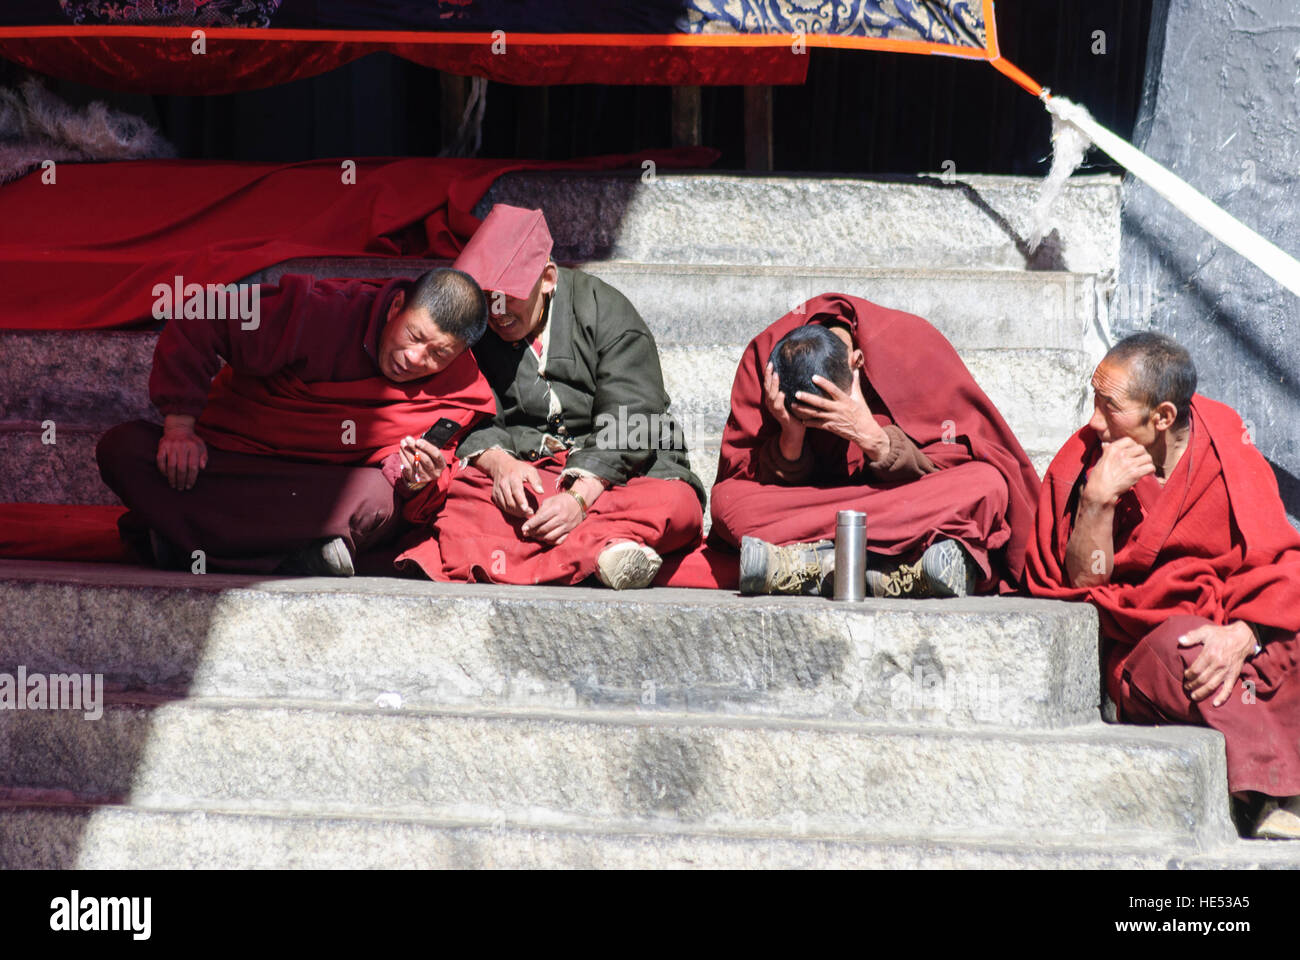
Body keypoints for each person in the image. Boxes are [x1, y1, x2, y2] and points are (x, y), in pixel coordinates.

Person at [1025, 332, 1300, 839]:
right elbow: (1085, 579)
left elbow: (1276, 557)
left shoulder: (1225, 443)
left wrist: (1246, 633)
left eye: (1110, 407)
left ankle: (1267, 785)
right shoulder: (1088, 457)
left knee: (1285, 632)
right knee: (1186, 653)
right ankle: (1270, 794)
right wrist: (1097, 501)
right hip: (1149, 632)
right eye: (1094, 399)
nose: (1093, 421)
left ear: (1164, 417)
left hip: (1233, 618)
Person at [96, 268, 495, 576]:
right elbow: (203, 316)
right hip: (234, 465)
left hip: (319, 491)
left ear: (457, 355)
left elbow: (410, 474)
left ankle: (186, 542)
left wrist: (418, 477)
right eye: (413, 334)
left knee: (378, 502)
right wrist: (180, 427)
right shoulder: (323, 310)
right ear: (396, 307)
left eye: (437, 353)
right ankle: (288, 556)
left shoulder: (456, 387)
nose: (414, 358)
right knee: (123, 449)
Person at [394, 204, 704, 588]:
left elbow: (636, 410)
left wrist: (580, 498)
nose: (498, 313)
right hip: (533, 477)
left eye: (508, 297)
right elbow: (467, 409)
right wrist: (499, 464)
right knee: (457, 497)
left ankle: (541, 556)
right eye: (488, 299)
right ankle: (605, 552)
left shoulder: (605, 310)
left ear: (548, 279)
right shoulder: (477, 328)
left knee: (676, 505)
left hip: (617, 477)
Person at [710, 293, 1040, 597]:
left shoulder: (909, 342)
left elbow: (966, 452)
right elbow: (741, 471)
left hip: (895, 497)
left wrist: (877, 442)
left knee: (985, 486)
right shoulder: (764, 359)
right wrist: (791, 439)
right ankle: (891, 567)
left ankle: (808, 561)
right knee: (729, 503)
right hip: (820, 504)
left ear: (857, 362)